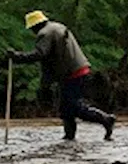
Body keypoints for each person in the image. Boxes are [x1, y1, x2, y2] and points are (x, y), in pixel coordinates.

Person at [7, 11, 115, 141]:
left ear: (35, 26)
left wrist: (17, 57)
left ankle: (106, 119)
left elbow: (40, 54)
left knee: (74, 107)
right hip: (78, 70)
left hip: (73, 74)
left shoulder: (45, 33)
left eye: (31, 29)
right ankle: (69, 137)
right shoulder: (58, 27)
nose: (32, 32)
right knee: (66, 108)